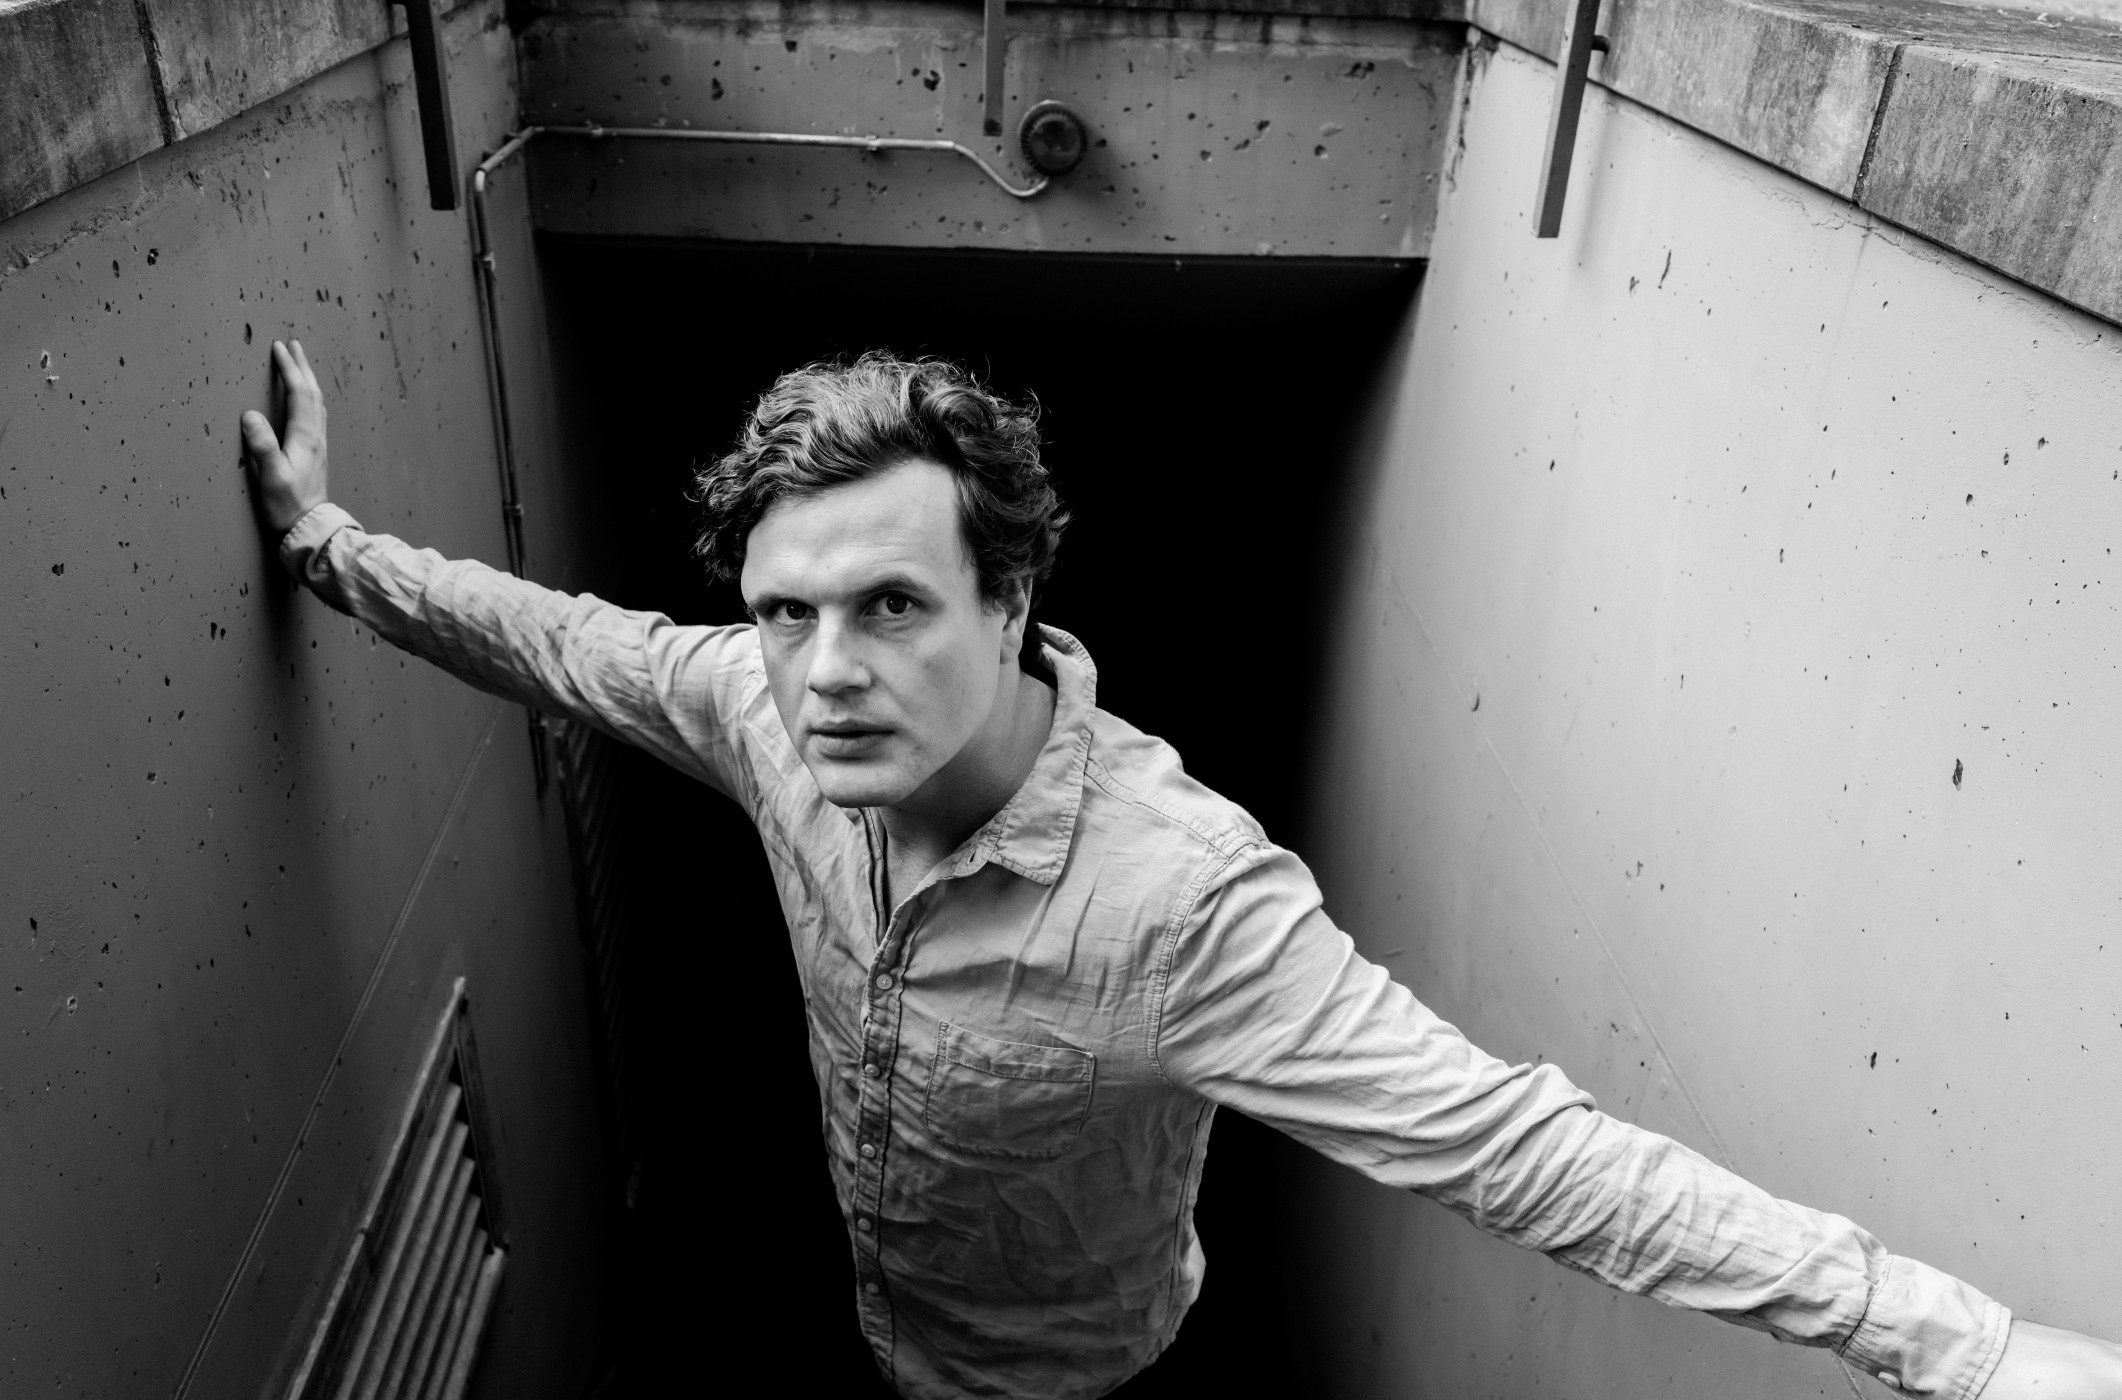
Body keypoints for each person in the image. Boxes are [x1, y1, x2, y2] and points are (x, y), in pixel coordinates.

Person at [240, 339, 2120, 1400]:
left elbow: (1519, 1149)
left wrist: (1961, 1349)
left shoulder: (1182, 904)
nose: (824, 673)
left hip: (1089, 1382)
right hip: (875, 1324)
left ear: (1011, 600)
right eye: (786, 610)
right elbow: (559, 642)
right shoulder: (759, 708)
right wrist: (324, 542)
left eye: (892, 605)